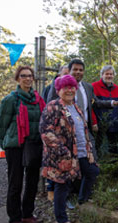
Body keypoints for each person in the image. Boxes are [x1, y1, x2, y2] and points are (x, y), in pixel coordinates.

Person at [39, 75, 99, 223]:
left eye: (72, 87)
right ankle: (61, 220)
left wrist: (89, 150)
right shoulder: (54, 106)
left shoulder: (76, 107)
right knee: (62, 185)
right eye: (66, 87)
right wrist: (63, 153)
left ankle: (82, 201)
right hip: (63, 155)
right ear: (59, 90)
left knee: (92, 171)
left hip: (81, 153)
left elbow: (83, 131)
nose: (70, 90)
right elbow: (46, 132)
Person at [0, 65, 45, 223]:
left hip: (33, 145)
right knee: (15, 183)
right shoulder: (11, 99)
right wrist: (6, 142)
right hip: (16, 147)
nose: (27, 78)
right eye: (23, 75)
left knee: (32, 182)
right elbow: (0, 125)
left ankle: (27, 215)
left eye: (30, 76)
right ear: (18, 78)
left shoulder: (38, 99)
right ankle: (14, 220)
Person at [43, 65, 69, 202]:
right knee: (53, 161)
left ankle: (62, 196)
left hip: (67, 134)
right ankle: (50, 190)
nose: (66, 77)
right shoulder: (50, 89)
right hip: (54, 133)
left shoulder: (70, 92)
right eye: (64, 74)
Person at [92, 65, 118, 156]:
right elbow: (91, 106)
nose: (109, 76)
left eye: (111, 74)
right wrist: (94, 122)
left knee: (113, 150)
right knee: (99, 149)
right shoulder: (94, 87)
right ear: (102, 75)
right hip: (100, 126)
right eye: (107, 74)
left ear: (114, 75)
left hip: (115, 126)